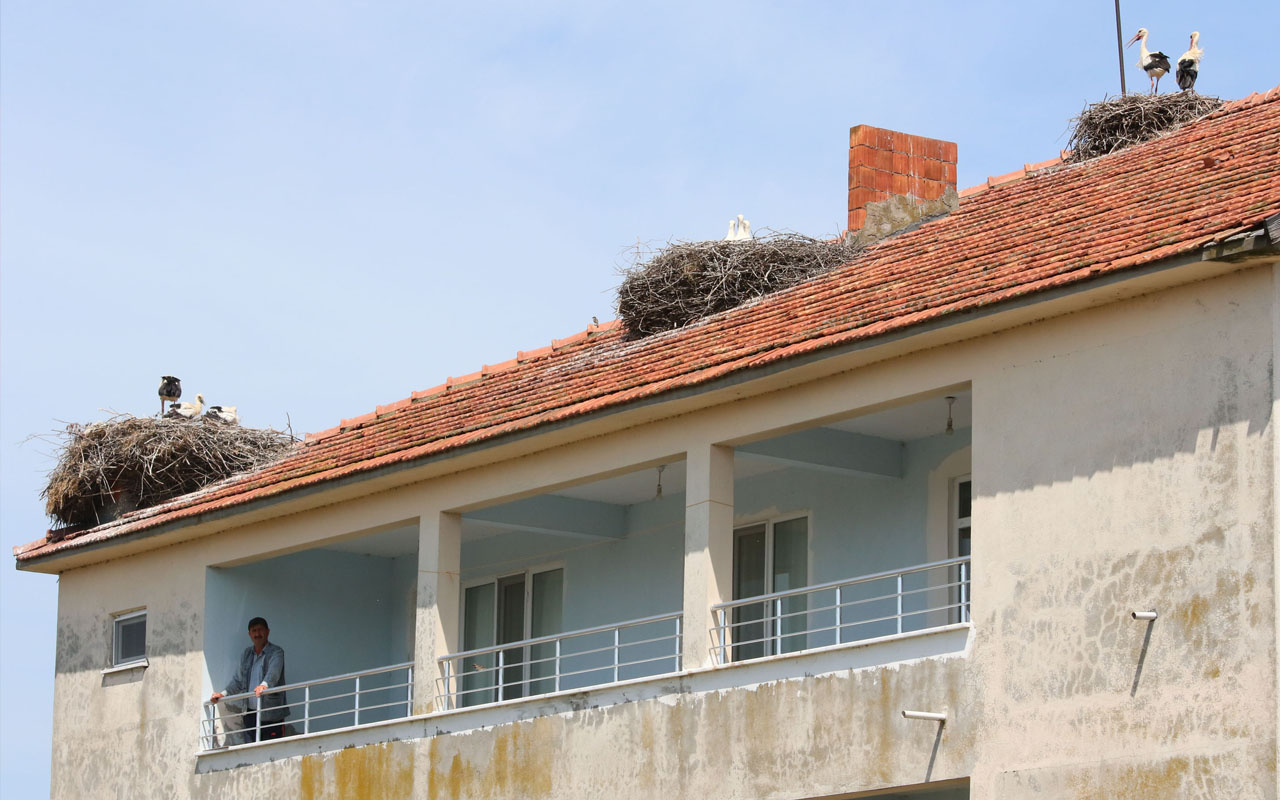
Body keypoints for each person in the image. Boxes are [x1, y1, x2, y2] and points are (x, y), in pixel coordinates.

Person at [209, 617, 287, 743]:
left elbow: (274, 674)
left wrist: (264, 686)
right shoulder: (246, 654)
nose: (257, 634)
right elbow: (238, 681)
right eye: (254, 631)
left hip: (271, 715)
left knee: (272, 752)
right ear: (249, 634)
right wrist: (222, 694)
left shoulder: (276, 652)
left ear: (267, 632)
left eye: (260, 630)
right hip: (250, 714)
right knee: (251, 755)